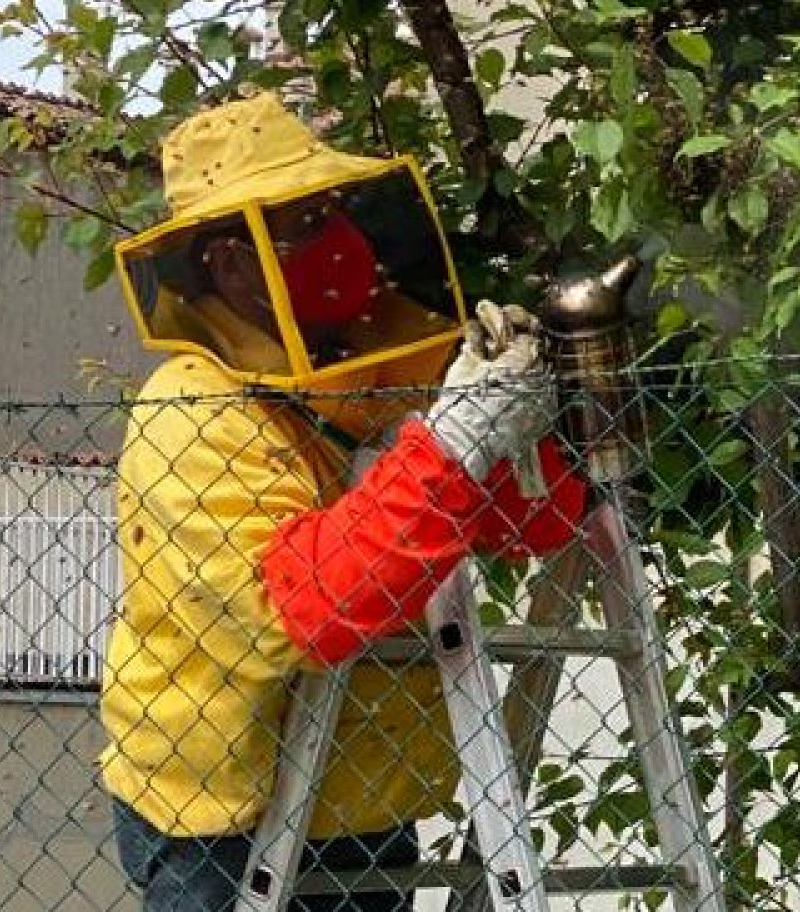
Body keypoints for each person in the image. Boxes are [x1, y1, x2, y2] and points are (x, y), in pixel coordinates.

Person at [98, 94, 587, 911]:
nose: (338, 243)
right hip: (225, 824)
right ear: (229, 261)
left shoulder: (374, 371)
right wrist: (454, 442)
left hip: (364, 792)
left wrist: (532, 423)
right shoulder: (192, 410)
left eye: (332, 213)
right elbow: (297, 608)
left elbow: (530, 524)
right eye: (302, 225)